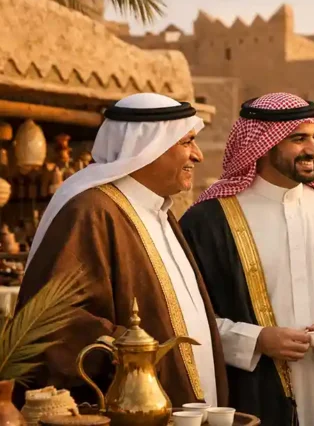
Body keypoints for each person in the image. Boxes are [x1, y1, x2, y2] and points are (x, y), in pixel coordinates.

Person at [179, 93, 314, 426]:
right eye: (297, 138)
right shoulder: (209, 222)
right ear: (264, 144)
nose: (313, 150)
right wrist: (256, 340)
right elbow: (185, 316)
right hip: (253, 395)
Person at [15, 93, 228, 408]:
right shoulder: (92, 210)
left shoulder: (160, 211)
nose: (197, 155)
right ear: (148, 148)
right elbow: (52, 320)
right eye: (187, 142)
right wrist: (128, 350)